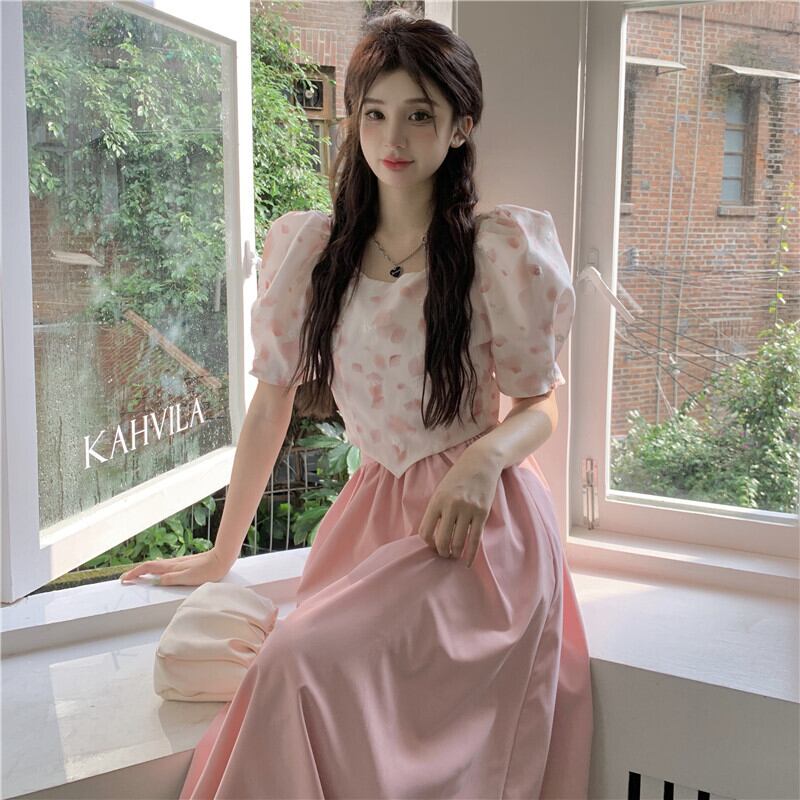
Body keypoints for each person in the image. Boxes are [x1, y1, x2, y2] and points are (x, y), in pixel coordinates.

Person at [120, 8, 593, 798]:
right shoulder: (318, 254)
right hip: (372, 517)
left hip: (475, 530)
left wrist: (484, 461)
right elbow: (269, 408)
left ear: (461, 127)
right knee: (303, 670)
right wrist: (221, 553)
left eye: (419, 115)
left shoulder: (496, 252)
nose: (392, 138)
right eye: (374, 114)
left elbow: (539, 404)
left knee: (298, 663)